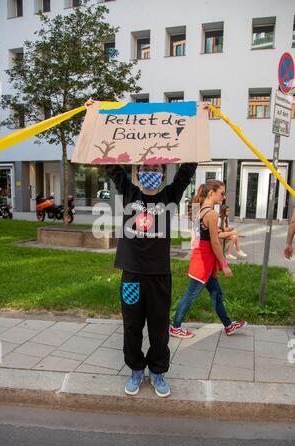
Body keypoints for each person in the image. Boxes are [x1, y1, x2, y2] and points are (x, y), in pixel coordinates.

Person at [85, 97, 197, 397]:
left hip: (159, 276)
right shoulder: (129, 191)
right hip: (132, 275)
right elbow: (111, 165)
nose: (151, 172)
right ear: (137, 173)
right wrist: (95, 116)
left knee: (159, 328)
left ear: (163, 174)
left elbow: (188, 168)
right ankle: (136, 369)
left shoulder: (170, 197)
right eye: (145, 168)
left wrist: (201, 122)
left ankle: (158, 372)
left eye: (157, 168)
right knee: (132, 326)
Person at [169, 180, 247, 339]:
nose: (224, 197)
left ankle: (228, 325)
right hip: (204, 263)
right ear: (211, 193)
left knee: (216, 293)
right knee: (190, 295)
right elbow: (215, 242)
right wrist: (224, 265)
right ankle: (175, 327)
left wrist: (228, 233)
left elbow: (199, 237)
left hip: (202, 259)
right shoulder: (211, 214)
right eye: (222, 193)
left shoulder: (199, 209)